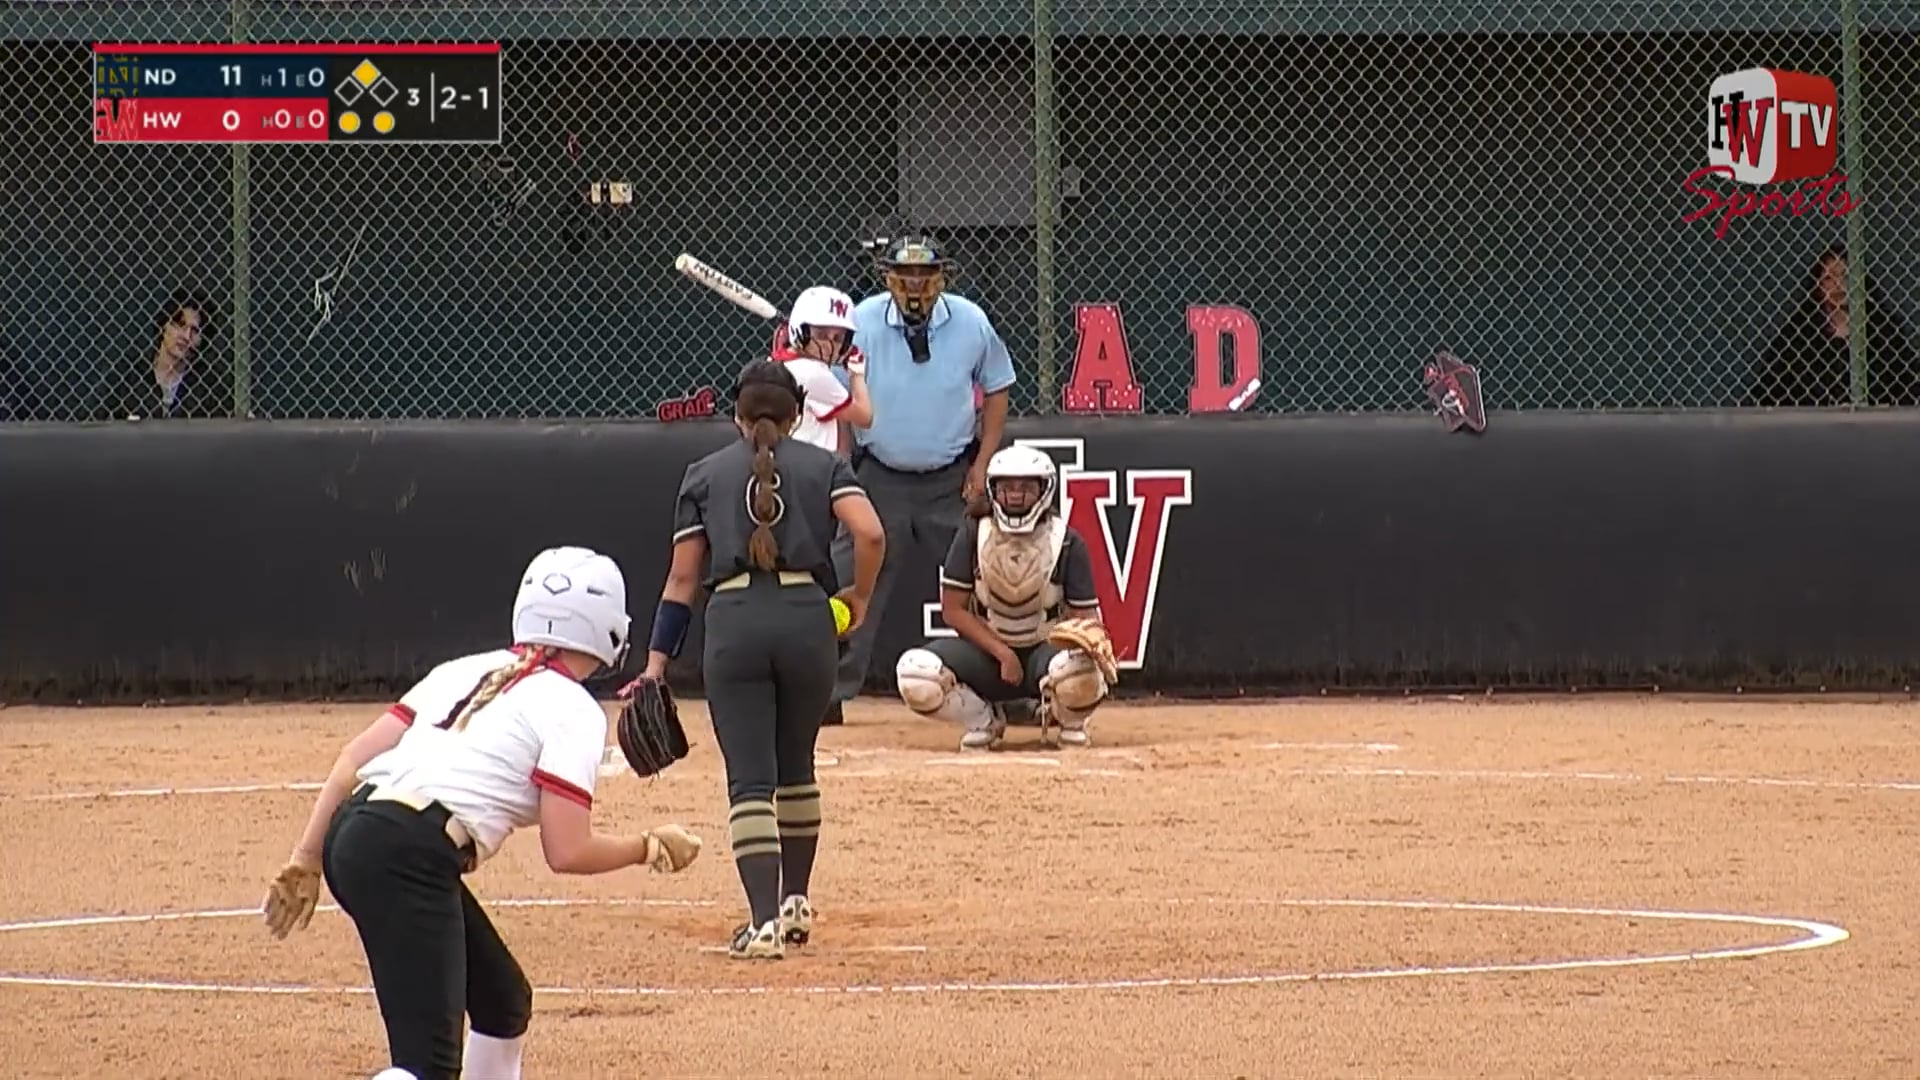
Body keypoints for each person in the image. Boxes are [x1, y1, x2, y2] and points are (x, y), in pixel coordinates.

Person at [260, 545, 704, 1080]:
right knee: (426, 1067)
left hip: (355, 832)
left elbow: (355, 758)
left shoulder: (464, 668)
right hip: (409, 851)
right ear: (608, 628)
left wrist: (307, 856)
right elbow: (566, 851)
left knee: (502, 1002)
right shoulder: (574, 709)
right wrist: (649, 847)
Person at [639, 358, 885, 958]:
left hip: (735, 622)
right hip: (808, 619)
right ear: (798, 415)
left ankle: (762, 922)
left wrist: (654, 665)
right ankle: (797, 902)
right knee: (797, 764)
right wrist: (856, 598)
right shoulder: (825, 465)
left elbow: (680, 580)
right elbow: (871, 534)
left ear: (737, 417)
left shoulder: (703, 473)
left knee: (751, 779)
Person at [823, 234, 1017, 725]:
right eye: (904, 275)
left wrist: (982, 464)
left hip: (951, 479)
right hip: (878, 476)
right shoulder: (861, 321)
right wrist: (843, 467)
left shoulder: (971, 321)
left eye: (925, 275)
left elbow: (996, 389)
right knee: (850, 585)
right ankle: (826, 693)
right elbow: (840, 400)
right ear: (887, 276)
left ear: (942, 277)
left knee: (989, 580)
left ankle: (1009, 683)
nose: (915, 285)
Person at [893, 445, 1116, 750]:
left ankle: (1067, 718)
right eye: (1006, 487)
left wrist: (1089, 647)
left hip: (1044, 649)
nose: (1015, 495)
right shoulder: (974, 532)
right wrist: (1002, 653)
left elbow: (1085, 615)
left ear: (1044, 489)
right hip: (989, 653)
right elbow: (953, 610)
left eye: (1025, 487)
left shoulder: (1066, 541)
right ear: (993, 490)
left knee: (1079, 672)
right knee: (915, 673)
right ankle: (983, 720)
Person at [1748, 239, 1920, 407]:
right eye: (1830, 278)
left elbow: (1906, 384)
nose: (1839, 285)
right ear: (1818, 287)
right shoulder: (1798, 335)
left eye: (1845, 276)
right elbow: (1770, 389)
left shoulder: (1883, 332)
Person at [769, 284, 874, 455]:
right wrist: (857, 375)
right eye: (821, 335)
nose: (829, 345)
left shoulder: (778, 362)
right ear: (800, 331)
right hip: (812, 467)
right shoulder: (814, 373)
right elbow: (864, 417)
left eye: (838, 338)